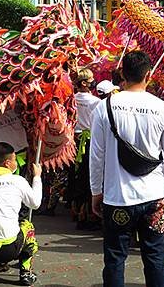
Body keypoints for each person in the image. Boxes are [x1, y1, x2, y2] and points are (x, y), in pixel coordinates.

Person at [90, 51, 164, 287]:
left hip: (118, 197)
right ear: (149, 75)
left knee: (115, 258)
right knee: (155, 257)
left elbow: (96, 155)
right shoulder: (163, 108)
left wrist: (95, 191)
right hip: (154, 196)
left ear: (122, 73)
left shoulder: (105, 107)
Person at [0, 142, 41, 285]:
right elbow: (35, 203)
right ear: (7, 163)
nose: (16, 163)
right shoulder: (17, 181)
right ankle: (25, 273)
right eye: (15, 160)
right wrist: (37, 177)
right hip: (9, 250)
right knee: (28, 227)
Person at [69, 68, 101, 230]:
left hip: (73, 140)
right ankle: (84, 213)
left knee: (74, 175)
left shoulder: (71, 99)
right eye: (91, 80)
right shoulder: (96, 102)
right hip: (88, 141)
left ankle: (74, 208)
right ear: (84, 83)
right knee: (86, 176)